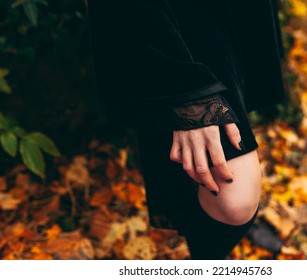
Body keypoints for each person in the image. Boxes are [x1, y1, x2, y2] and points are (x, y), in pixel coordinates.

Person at [86, 0, 286, 259]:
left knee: (220, 132)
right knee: (233, 199)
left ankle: (203, 229)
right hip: (178, 13)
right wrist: (184, 91)